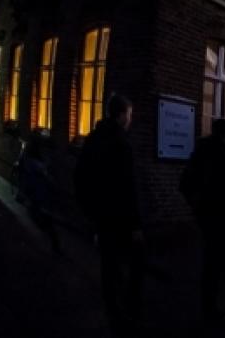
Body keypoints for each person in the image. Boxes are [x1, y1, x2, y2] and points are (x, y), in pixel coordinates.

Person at [74, 94, 145, 333]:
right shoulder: (120, 143)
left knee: (108, 265)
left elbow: (80, 177)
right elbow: (128, 186)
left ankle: (113, 310)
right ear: (122, 115)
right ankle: (125, 313)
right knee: (131, 263)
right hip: (120, 218)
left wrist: (90, 210)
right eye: (130, 114)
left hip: (102, 216)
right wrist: (135, 224)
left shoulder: (94, 139)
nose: (131, 119)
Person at [181, 118, 225, 324]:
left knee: (222, 257)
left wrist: (197, 207)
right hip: (218, 217)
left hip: (206, 216)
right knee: (214, 263)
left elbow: (186, 184)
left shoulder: (200, 153)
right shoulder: (221, 159)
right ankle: (210, 309)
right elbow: (222, 193)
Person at [19, 134, 61, 253]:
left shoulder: (32, 158)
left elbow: (39, 172)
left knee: (39, 215)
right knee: (40, 215)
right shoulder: (36, 157)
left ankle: (52, 242)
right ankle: (52, 241)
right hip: (38, 191)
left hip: (38, 191)